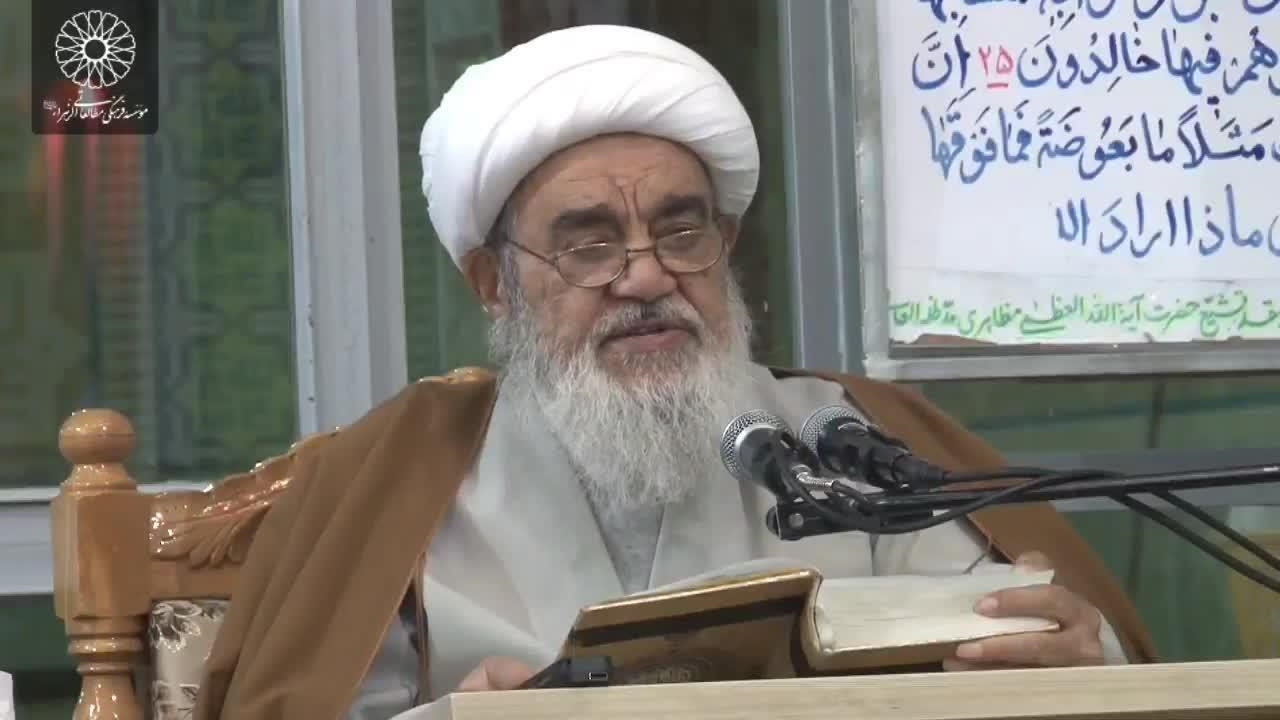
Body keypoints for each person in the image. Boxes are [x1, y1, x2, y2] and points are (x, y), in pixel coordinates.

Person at [193, 24, 1155, 720]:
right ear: (495, 284)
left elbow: (1046, 640)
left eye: (681, 231)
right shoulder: (395, 488)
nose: (647, 276)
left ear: (724, 246)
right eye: (589, 244)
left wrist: (1075, 660)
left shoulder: (851, 442)